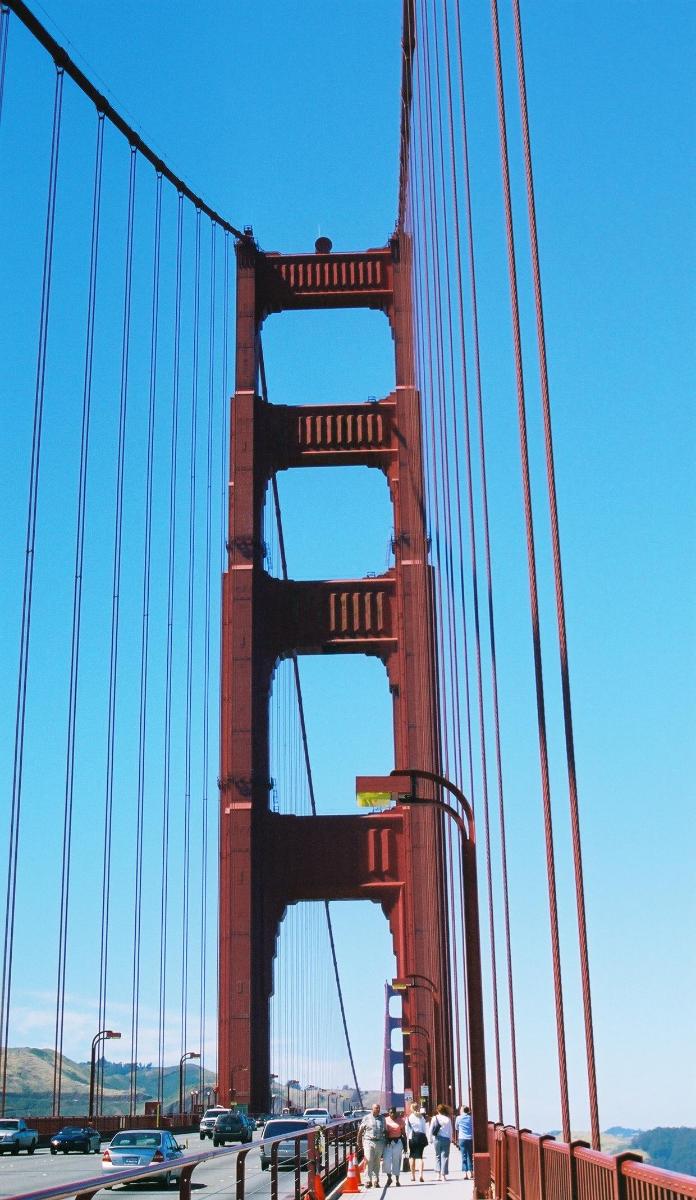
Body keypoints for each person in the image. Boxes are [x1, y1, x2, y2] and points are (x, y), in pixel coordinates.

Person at [358, 1103, 386, 1189]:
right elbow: (360, 1131)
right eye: (376, 1108)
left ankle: (375, 1180)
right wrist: (358, 1141)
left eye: (378, 1108)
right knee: (369, 1159)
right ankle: (367, 1180)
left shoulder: (382, 1118)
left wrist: (386, 1141)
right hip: (369, 1141)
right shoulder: (366, 1118)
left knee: (377, 1161)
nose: (377, 1109)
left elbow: (385, 1131)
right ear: (372, 1109)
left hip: (379, 1141)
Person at [405, 1100, 428, 1182]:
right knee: (420, 1157)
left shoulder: (409, 1118)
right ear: (418, 1108)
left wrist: (408, 1138)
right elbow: (424, 1129)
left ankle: (413, 1176)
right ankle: (421, 1175)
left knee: (412, 1157)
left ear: (411, 1108)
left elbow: (407, 1130)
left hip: (412, 1138)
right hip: (421, 1137)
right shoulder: (422, 1117)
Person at [429, 1104, 453, 1181]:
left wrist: (430, 1139)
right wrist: (451, 1139)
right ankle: (443, 1175)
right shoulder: (447, 1119)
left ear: (438, 1110)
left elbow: (431, 1129)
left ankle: (437, 1175)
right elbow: (450, 1131)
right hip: (446, 1139)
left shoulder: (434, 1118)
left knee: (437, 1156)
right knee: (445, 1157)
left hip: (437, 1139)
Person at [383, 1106, 405, 1186]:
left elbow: (404, 1133)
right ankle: (389, 1178)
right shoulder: (385, 1120)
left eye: (393, 1112)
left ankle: (397, 1180)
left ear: (396, 1112)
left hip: (398, 1142)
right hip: (388, 1142)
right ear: (388, 1113)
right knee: (386, 1161)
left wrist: (406, 1146)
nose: (392, 1114)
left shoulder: (401, 1120)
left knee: (397, 1161)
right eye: (390, 1112)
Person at [455, 1105, 473, 1179]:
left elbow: (456, 1127)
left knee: (464, 1155)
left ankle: (465, 1174)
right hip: (470, 1138)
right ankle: (472, 1173)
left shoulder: (458, 1118)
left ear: (462, 1110)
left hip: (462, 1138)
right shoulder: (470, 1118)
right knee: (470, 1155)